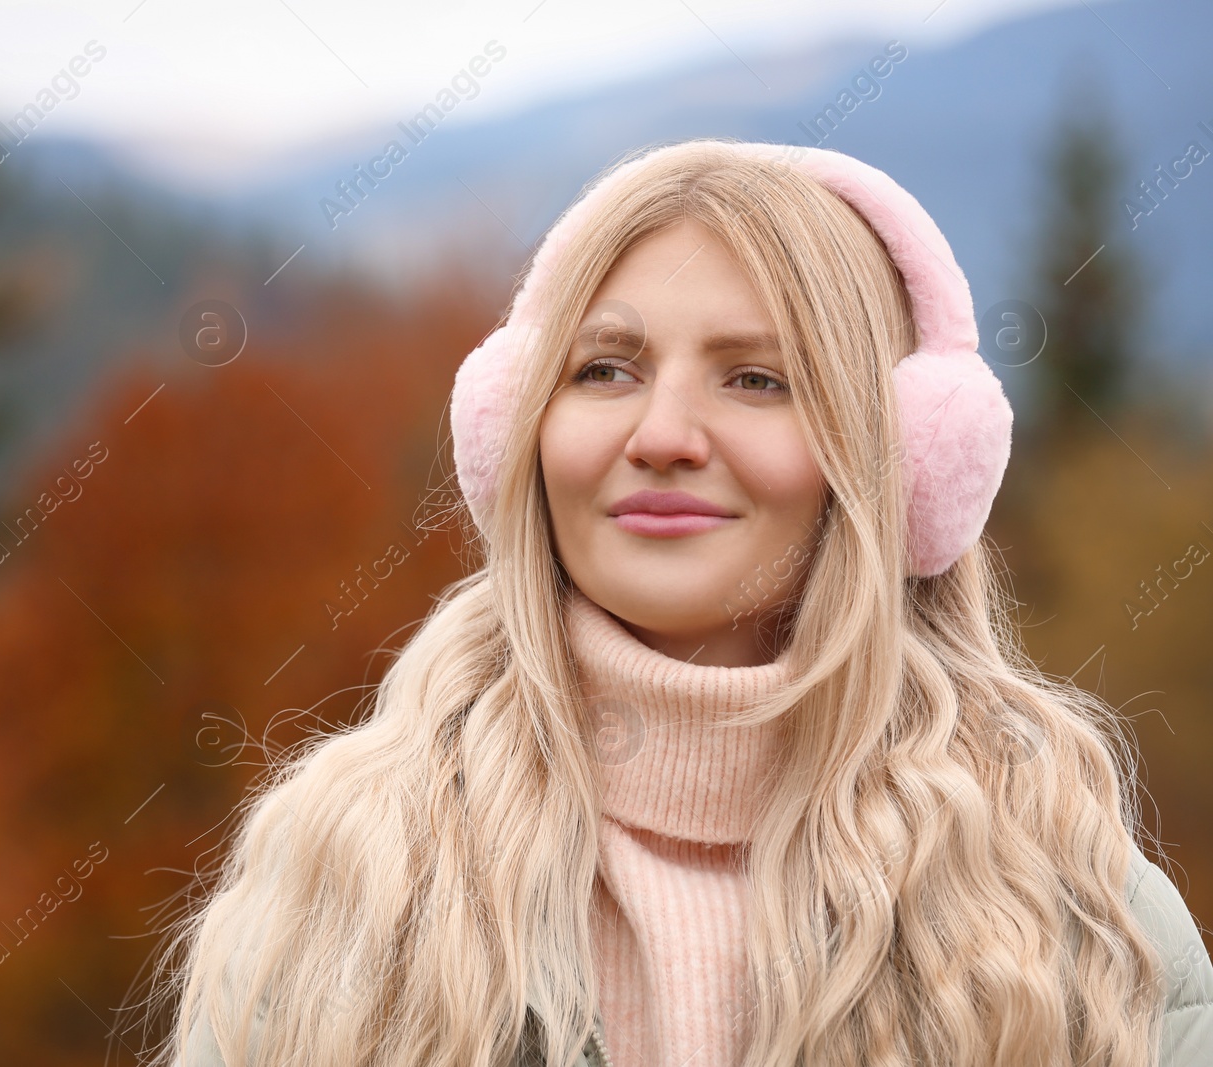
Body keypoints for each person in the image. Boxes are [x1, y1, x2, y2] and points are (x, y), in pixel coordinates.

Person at [144, 138, 1213, 1067]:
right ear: (518, 426)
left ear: (901, 459)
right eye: (605, 369)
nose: (659, 434)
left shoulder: (1074, 909)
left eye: (755, 379)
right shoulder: (342, 875)